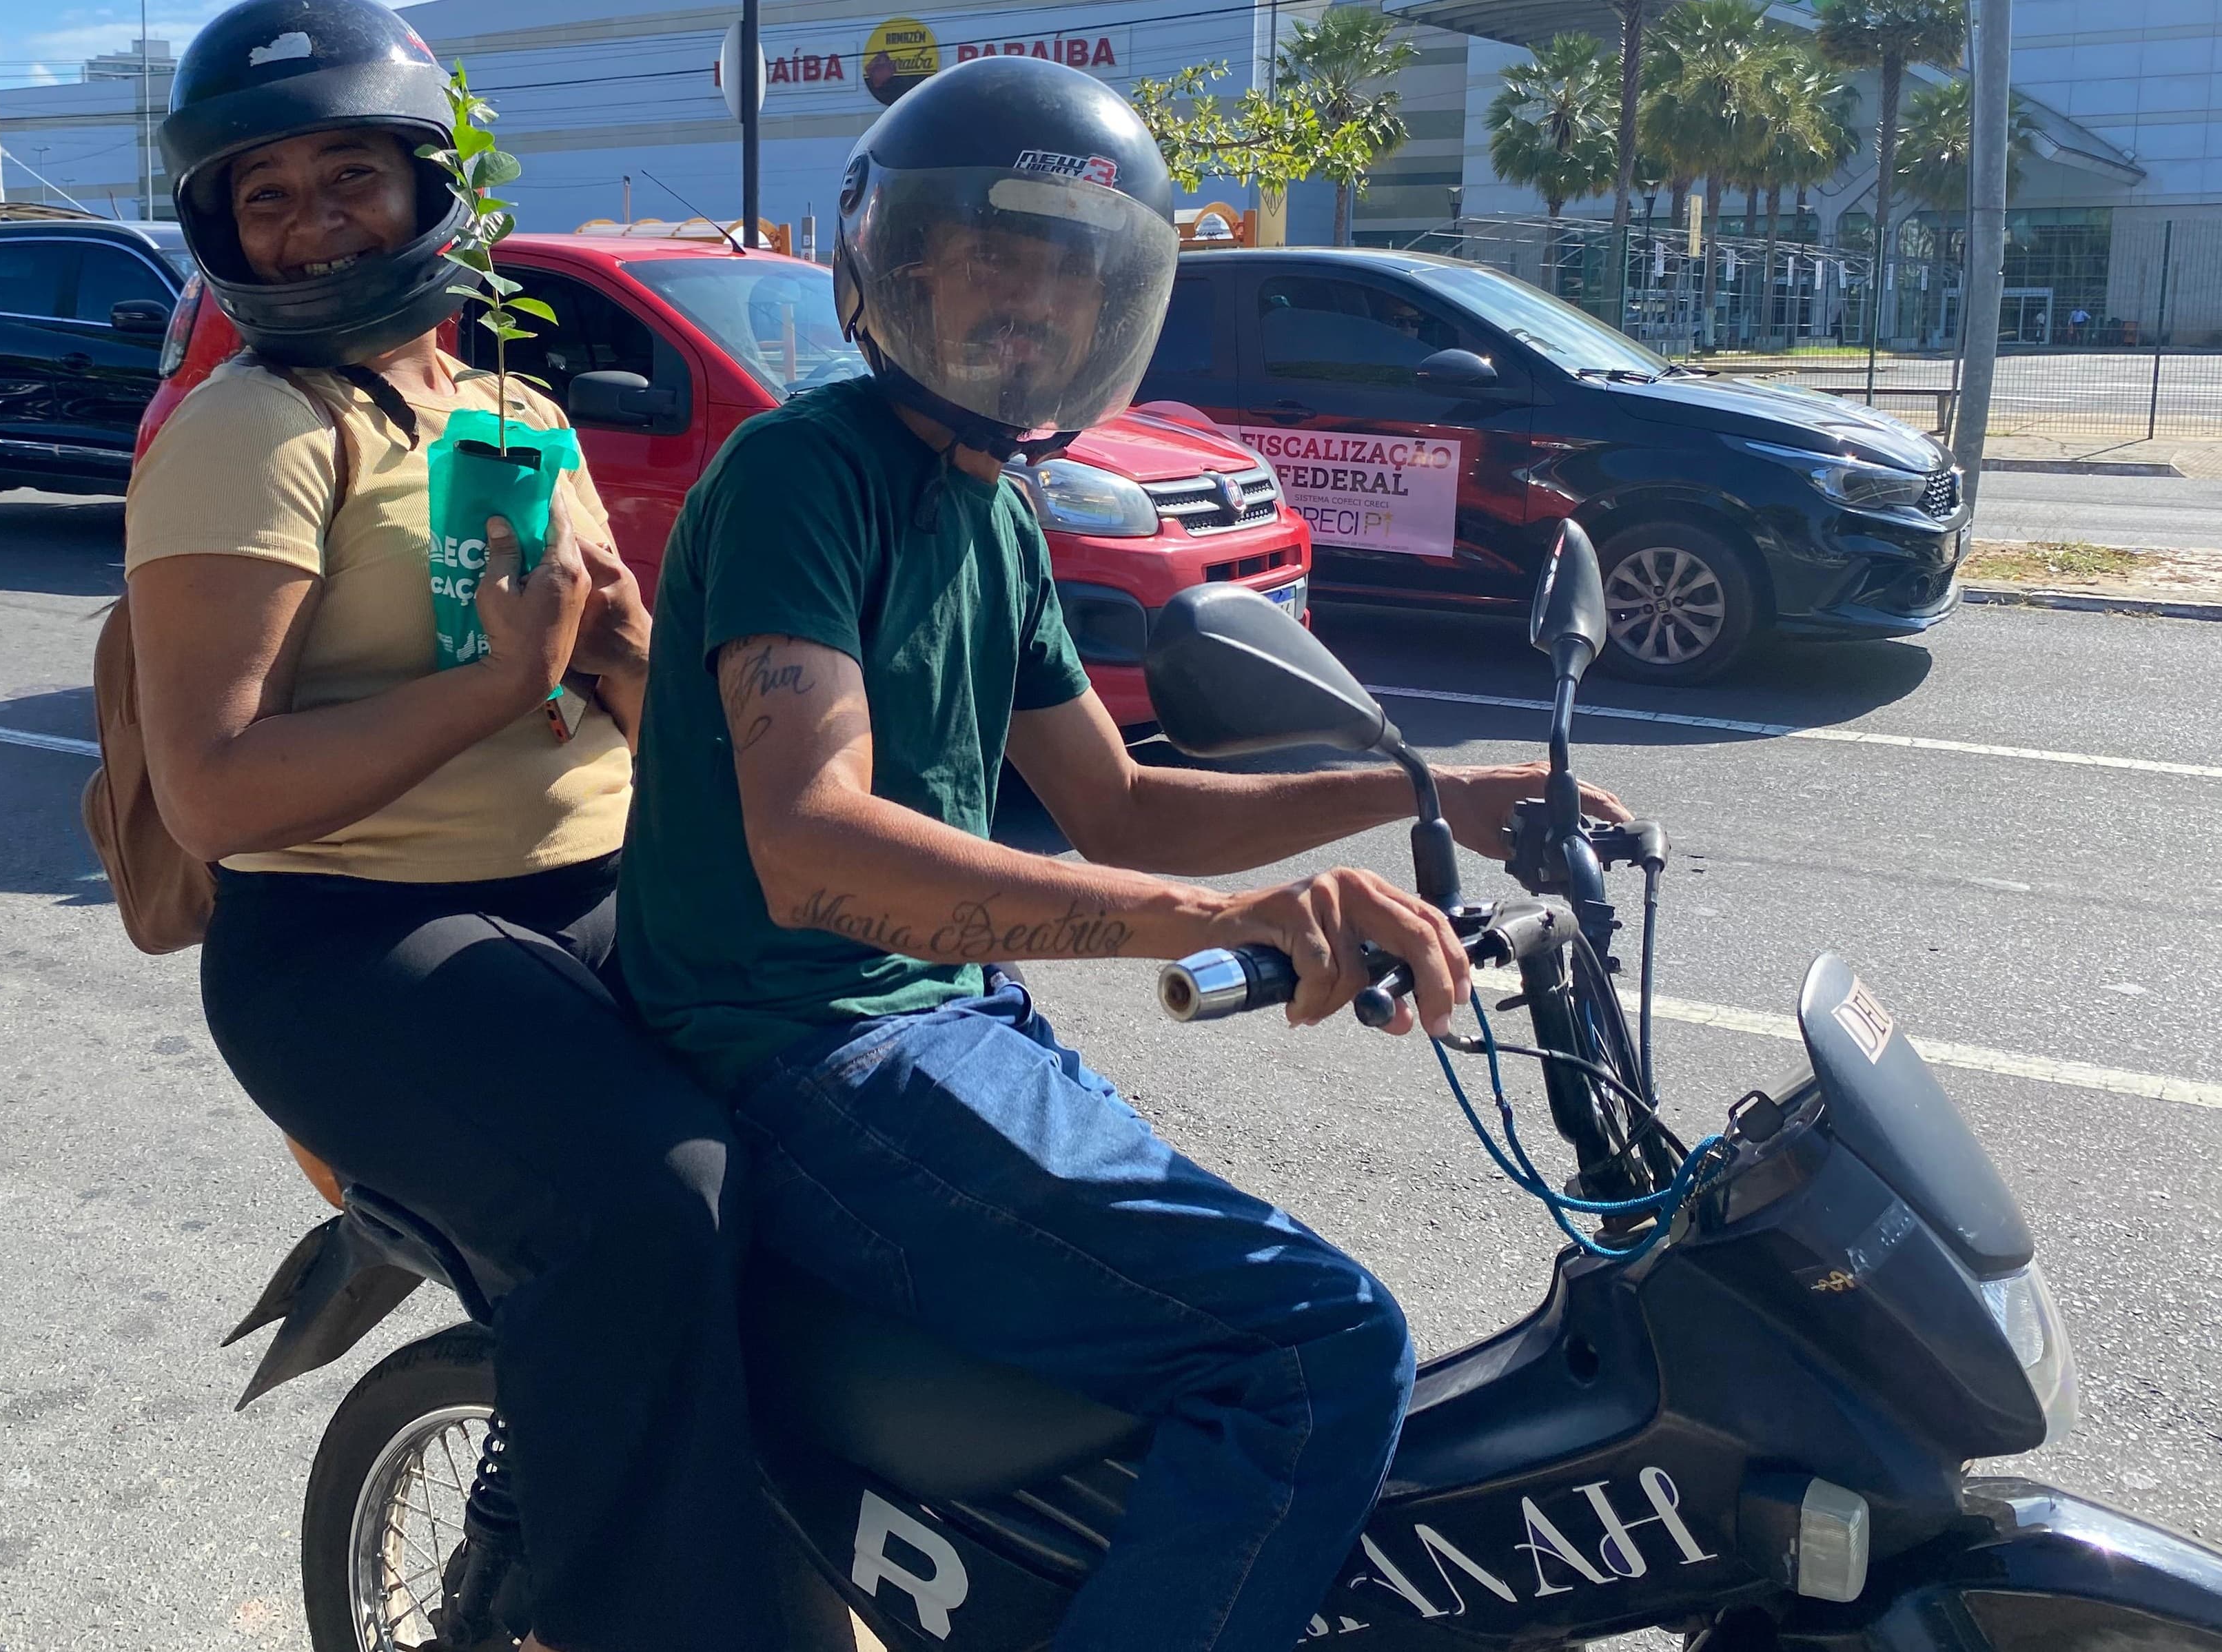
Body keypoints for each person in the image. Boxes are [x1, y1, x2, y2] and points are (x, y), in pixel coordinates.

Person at [617, 54, 1629, 1652]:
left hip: (948, 1021)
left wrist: (1423, 791)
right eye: (994, 257)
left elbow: (1120, 803)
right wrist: (1225, 917)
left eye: (1072, 273)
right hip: (805, 1048)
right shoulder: (802, 475)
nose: (1029, 304)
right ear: (897, 265)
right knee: (1318, 1348)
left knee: (1218, 1348)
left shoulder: (999, 513)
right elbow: (813, 848)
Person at [127, 3, 776, 1648]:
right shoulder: (250, 436)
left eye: (348, 173)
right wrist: (498, 685)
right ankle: (631, 1613)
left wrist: (627, 656)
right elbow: (209, 783)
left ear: (429, 187)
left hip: (597, 884)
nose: (310, 219)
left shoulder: (514, 413)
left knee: (869, 1096)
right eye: (262, 195)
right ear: (220, 230)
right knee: (662, 1193)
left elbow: (611, 678)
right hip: (359, 944)